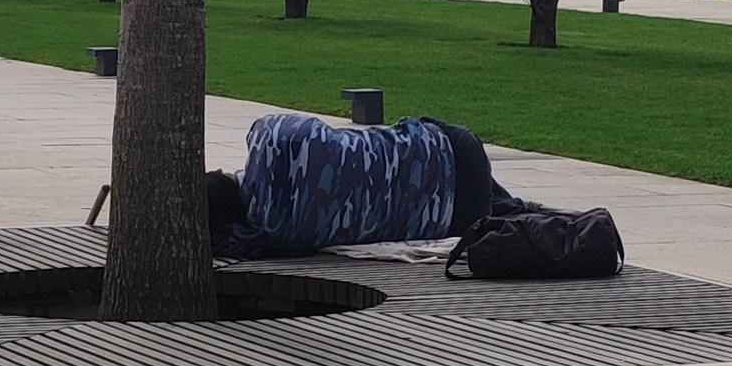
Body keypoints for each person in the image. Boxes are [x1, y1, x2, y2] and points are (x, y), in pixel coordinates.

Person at [205, 112, 527, 258]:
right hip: (452, 149)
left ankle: (519, 213)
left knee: (503, 210)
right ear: (219, 173)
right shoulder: (271, 137)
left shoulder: (276, 234)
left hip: (454, 219)